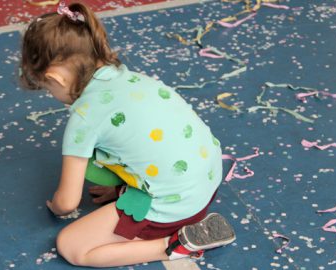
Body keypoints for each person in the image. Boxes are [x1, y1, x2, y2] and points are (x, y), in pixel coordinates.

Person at [20, 1, 236, 267]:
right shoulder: (130, 78)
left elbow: (67, 202)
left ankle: (175, 245)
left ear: (56, 78)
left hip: (175, 207)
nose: (52, 95)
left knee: (72, 245)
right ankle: (153, 208)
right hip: (207, 181)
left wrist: (55, 206)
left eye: (47, 88)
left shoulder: (85, 117)